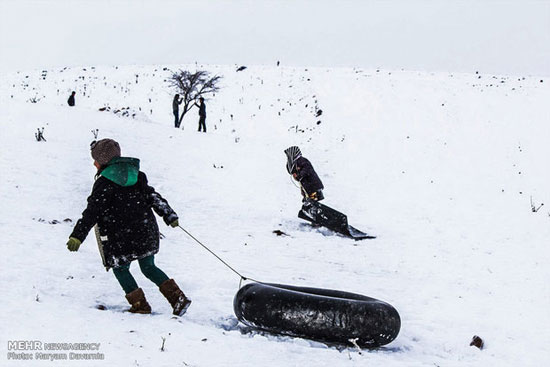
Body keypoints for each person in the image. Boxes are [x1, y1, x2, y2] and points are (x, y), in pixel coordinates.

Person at [66, 138, 191, 315]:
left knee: (120, 269)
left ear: (103, 161)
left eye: (96, 160)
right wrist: (168, 214)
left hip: (121, 237)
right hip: (145, 232)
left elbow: (92, 211)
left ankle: (140, 306)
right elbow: (153, 196)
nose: (94, 163)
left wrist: (78, 235)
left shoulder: (104, 183)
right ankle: (178, 298)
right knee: (148, 267)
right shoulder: (138, 176)